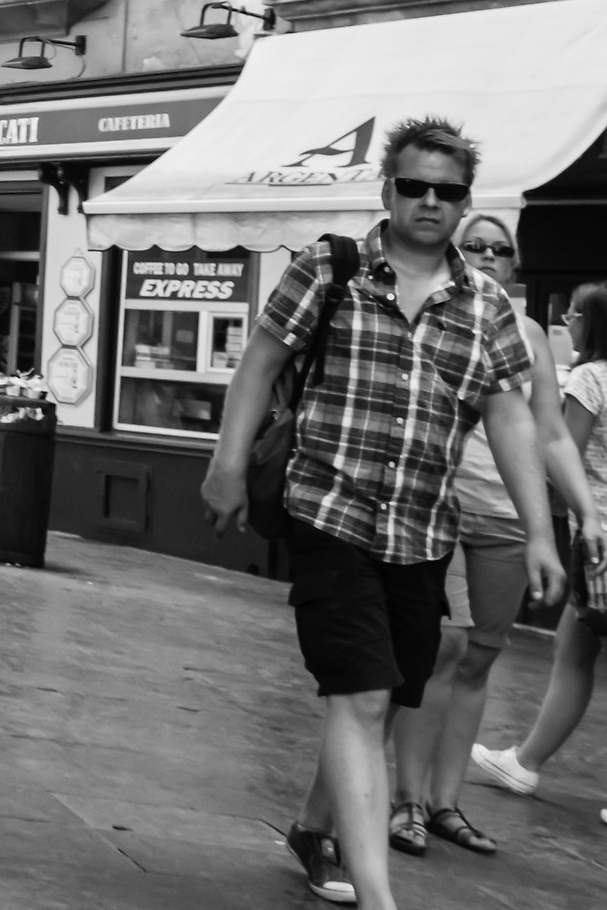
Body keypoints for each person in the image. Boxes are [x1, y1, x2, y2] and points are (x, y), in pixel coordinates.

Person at [202, 117, 562, 910]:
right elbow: (259, 363)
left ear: (465, 202)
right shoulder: (328, 270)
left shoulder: (487, 306)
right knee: (360, 698)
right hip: (329, 511)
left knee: (384, 692)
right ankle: (380, 898)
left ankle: (312, 825)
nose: (431, 202)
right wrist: (227, 463)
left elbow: (509, 417)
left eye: (448, 191)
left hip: (424, 529)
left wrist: (541, 531)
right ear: (388, 190)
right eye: (415, 186)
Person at [389, 214, 604, 855]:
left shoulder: (532, 334)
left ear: (516, 265)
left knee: (481, 657)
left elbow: (552, 432)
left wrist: (578, 514)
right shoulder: (431, 310)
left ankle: (446, 802)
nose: (486, 255)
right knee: (443, 652)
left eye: (499, 249)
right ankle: (406, 802)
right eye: (474, 244)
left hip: (510, 516)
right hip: (440, 506)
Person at [473, 279, 607, 800]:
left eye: (574, 314)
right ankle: (526, 759)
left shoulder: (591, 381)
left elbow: (560, 449)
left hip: (597, 540)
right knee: (575, 647)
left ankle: (526, 763)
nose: (567, 322)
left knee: (574, 656)